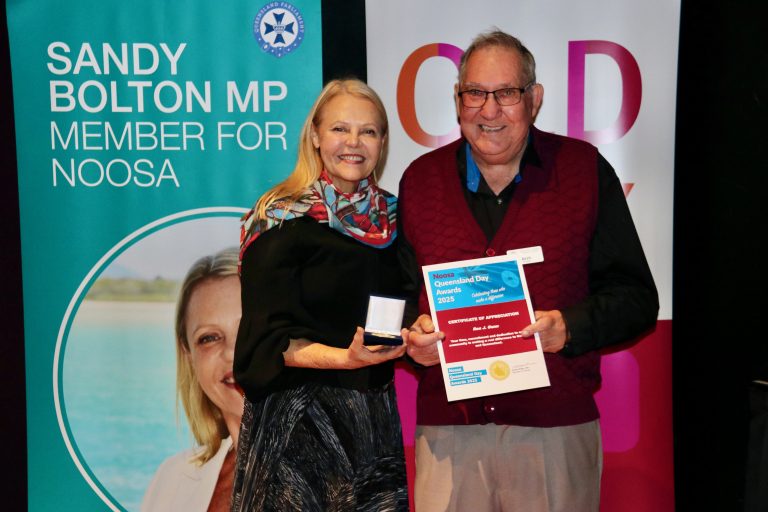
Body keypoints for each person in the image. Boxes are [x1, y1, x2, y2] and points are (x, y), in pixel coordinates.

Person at [398, 30, 659, 512]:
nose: (489, 110)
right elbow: (397, 298)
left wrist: (569, 328)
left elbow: (637, 299)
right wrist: (412, 340)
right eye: (475, 93)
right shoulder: (420, 180)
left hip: (553, 432)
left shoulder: (583, 171)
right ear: (457, 100)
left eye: (507, 93)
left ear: (534, 99)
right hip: (450, 434)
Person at [232, 78, 409, 511]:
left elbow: (413, 307)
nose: (354, 142)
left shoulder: (399, 220)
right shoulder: (278, 219)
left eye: (368, 131)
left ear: (383, 141)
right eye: (339, 129)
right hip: (296, 429)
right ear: (315, 135)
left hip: (374, 425)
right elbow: (265, 343)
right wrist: (345, 358)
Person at [142, 248, 245, 512]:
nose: (232, 352)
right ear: (188, 353)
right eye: (209, 337)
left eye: (249, 328)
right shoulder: (172, 479)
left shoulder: (340, 476)